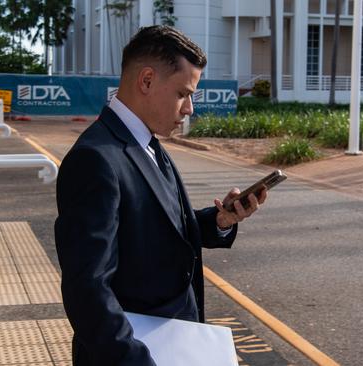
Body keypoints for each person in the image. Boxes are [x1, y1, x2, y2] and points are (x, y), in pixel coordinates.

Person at [54, 25, 267, 366]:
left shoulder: (146, 142)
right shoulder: (95, 159)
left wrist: (222, 219)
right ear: (147, 81)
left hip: (174, 342)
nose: (189, 109)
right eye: (184, 93)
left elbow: (158, 228)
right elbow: (88, 291)